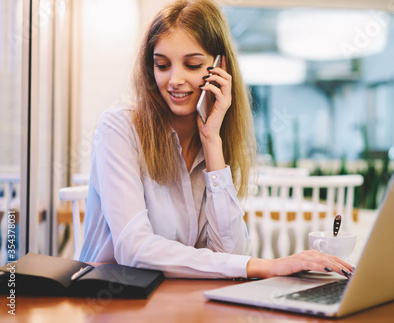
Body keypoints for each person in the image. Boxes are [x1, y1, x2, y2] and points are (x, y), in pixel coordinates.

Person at [79, 0, 353, 279]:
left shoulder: (212, 141)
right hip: (112, 303)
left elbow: (229, 253)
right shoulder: (120, 127)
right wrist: (263, 265)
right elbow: (133, 250)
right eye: (162, 65)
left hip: (176, 299)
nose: (175, 79)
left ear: (220, 67)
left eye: (193, 64)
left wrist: (211, 142)